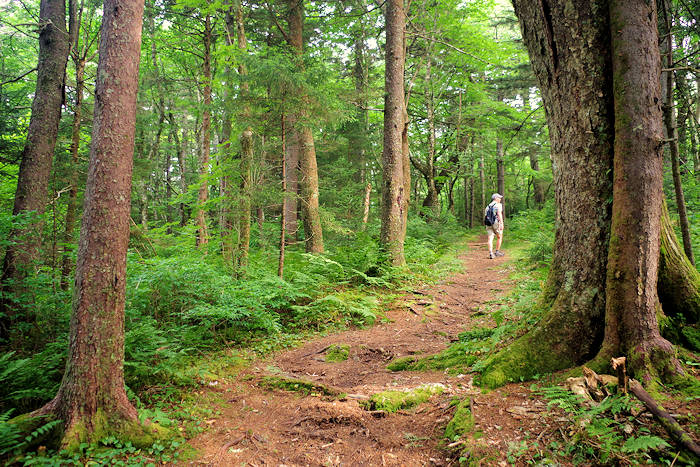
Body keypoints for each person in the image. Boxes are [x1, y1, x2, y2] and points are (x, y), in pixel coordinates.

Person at [485, 193, 504, 259]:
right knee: (499, 236)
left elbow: (486, 216)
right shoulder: (498, 205)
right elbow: (499, 214)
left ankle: (491, 253)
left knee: (490, 238)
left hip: (488, 223)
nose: (500, 199)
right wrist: (501, 223)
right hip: (496, 222)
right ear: (496, 198)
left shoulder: (488, 206)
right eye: (499, 198)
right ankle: (497, 252)